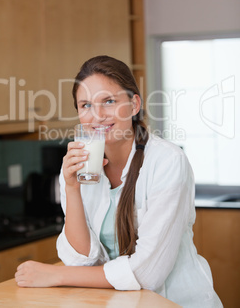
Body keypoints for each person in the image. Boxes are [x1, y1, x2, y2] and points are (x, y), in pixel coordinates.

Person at [15, 55, 223, 307]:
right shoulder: (79, 166)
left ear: (134, 105)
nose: (97, 115)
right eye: (86, 105)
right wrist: (71, 188)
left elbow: (148, 273)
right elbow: (82, 260)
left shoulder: (167, 161)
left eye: (109, 101)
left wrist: (56, 274)